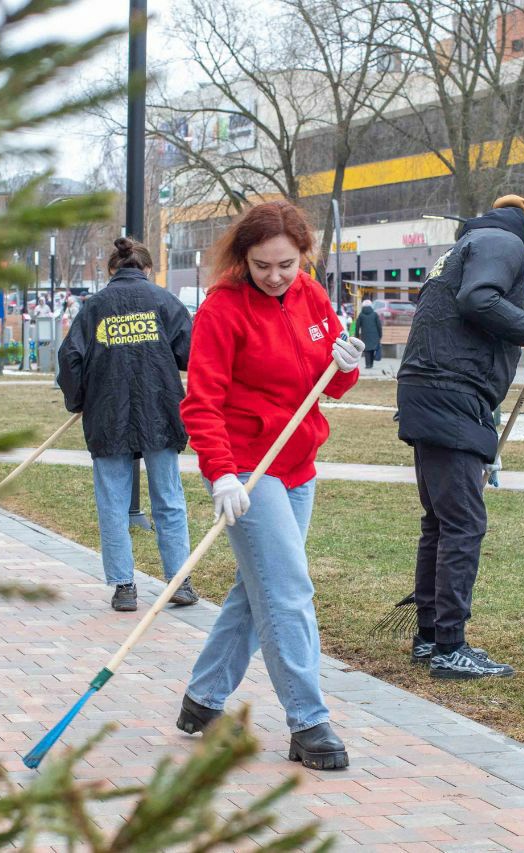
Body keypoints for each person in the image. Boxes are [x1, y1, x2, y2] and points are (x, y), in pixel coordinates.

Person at [176, 200, 365, 771]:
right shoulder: (222, 310)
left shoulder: (311, 295)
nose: (276, 276)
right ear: (244, 259)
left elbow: (333, 386)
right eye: (262, 266)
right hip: (249, 472)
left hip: (297, 465)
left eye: (286, 263)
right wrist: (221, 473)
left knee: (257, 588)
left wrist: (349, 361)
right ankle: (309, 723)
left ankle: (202, 701)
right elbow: (200, 402)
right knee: (287, 592)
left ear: (303, 254)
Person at [396, 194, 524, 679]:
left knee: (441, 521)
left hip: (433, 389)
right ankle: (450, 646)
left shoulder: (474, 241)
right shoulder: (504, 241)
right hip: (449, 390)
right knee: (464, 524)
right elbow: (479, 299)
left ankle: (430, 637)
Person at [57, 238, 198, 612]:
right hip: (161, 411)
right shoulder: (165, 302)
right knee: (168, 498)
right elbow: (192, 353)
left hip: (107, 414)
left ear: (111, 271)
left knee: (112, 502)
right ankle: (179, 581)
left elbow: (69, 358)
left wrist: (79, 400)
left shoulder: (94, 308)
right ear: (146, 270)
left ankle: (124, 586)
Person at [355, 298, 382, 369]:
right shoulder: (375, 314)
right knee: (372, 349)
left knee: (367, 350)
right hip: (375, 335)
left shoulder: (361, 315)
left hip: (365, 335)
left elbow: (357, 326)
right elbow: (379, 325)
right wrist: (380, 334)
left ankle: (367, 364)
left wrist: (357, 335)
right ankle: (371, 364)